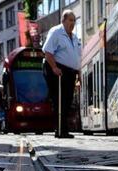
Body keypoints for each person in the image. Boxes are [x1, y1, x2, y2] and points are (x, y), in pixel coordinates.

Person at [42, 9, 81, 138]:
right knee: (59, 100)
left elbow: (77, 57)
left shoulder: (75, 37)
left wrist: (78, 72)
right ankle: (59, 130)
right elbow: (48, 52)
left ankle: (63, 129)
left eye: (74, 21)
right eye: (70, 20)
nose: (73, 23)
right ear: (63, 20)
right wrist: (54, 67)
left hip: (70, 72)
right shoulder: (56, 32)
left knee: (68, 100)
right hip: (57, 69)